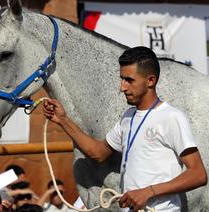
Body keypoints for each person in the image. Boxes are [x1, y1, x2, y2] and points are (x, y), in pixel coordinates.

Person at [43, 46, 207, 211]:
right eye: (121, 79)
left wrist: (149, 192)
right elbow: (98, 152)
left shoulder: (171, 117)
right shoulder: (128, 117)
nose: (122, 87)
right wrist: (63, 120)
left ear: (150, 80)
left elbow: (198, 174)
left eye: (129, 80)